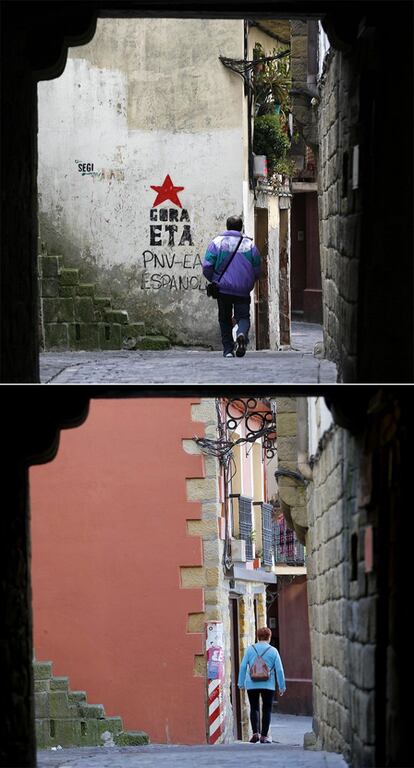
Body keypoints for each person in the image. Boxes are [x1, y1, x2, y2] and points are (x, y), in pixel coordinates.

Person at [202, 216, 261, 358]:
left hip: (223, 289)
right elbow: (258, 268)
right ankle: (241, 333)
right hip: (243, 289)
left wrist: (214, 279)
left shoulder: (217, 243)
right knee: (244, 317)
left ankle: (228, 350)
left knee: (224, 318)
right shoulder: (250, 245)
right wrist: (251, 280)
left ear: (227, 226)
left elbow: (207, 265)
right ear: (240, 227)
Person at [238, 626, 286, 744]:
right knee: (267, 709)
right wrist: (281, 686)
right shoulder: (273, 651)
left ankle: (255, 733)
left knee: (254, 708)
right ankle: (264, 736)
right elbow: (279, 670)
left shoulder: (250, 649)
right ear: (269, 637)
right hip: (268, 685)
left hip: (252, 683)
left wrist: (241, 683)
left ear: (258, 637)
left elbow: (243, 666)